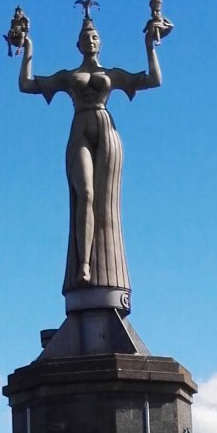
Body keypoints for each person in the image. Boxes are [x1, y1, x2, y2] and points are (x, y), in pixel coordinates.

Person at [18, 16, 164, 295]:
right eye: (86, 37)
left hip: (106, 128)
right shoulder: (67, 76)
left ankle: (106, 263)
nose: (90, 40)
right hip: (80, 127)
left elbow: (154, 79)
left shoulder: (112, 74)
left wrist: (150, 45)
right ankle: (83, 265)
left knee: (105, 201)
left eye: (95, 36)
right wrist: (27, 48)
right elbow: (26, 84)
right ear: (78, 44)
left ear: (101, 42)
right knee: (85, 194)